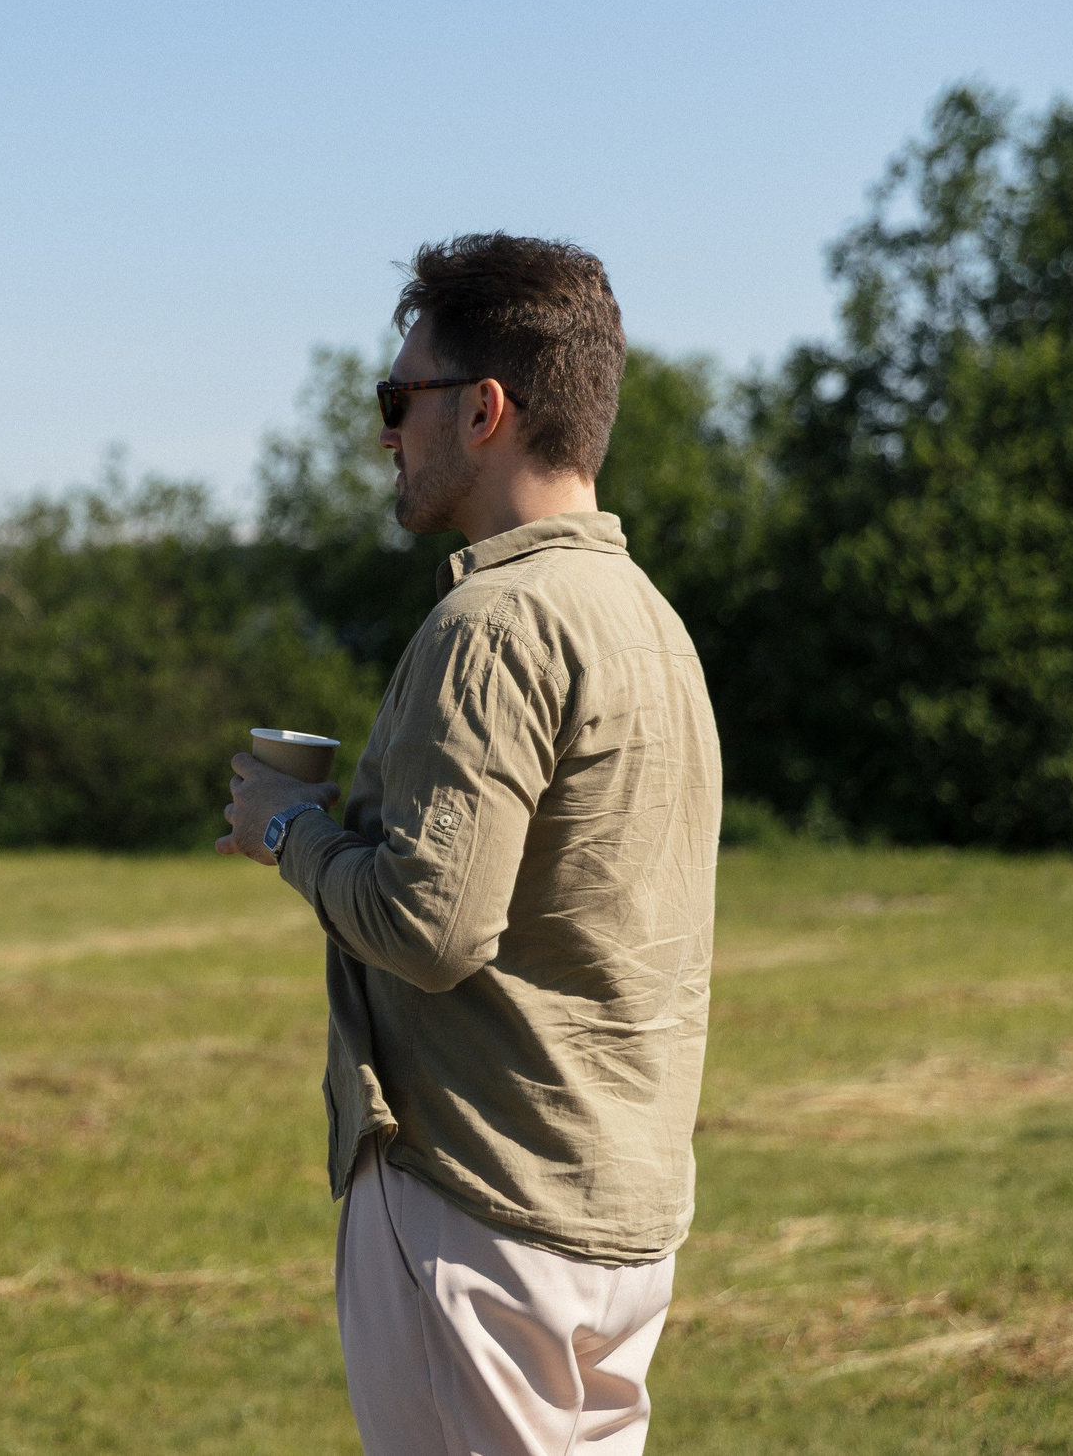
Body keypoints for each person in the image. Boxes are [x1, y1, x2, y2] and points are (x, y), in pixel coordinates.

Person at [219, 233, 721, 1455]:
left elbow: (431, 927)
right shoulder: (648, 619)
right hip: (616, 1215)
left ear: (483, 409)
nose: (384, 431)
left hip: (482, 1210)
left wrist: (285, 832)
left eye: (400, 399)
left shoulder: (490, 622)